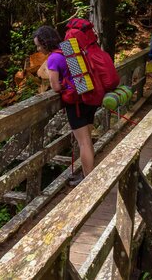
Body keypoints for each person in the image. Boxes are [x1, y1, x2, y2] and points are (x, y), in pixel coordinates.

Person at [33, 25, 97, 184]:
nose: (39, 49)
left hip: (75, 104)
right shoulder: (68, 49)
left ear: (46, 43)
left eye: (39, 45)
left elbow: (55, 87)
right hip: (86, 97)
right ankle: (87, 174)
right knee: (87, 140)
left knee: (84, 142)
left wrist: (63, 85)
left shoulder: (53, 58)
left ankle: (89, 181)